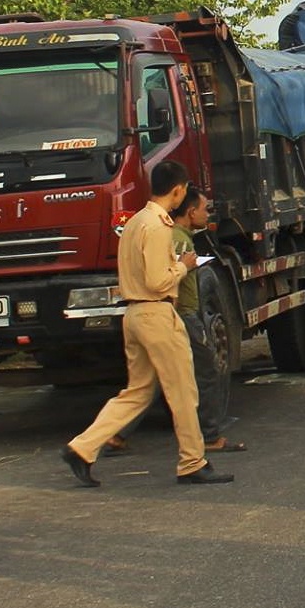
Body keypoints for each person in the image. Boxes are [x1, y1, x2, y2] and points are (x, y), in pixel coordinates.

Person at [61, 160, 233, 488]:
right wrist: (183, 266)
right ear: (178, 190)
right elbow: (157, 281)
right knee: (183, 391)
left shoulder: (136, 222)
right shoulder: (157, 226)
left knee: (137, 393)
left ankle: (82, 448)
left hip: (135, 314)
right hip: (157, 312)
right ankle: (192, 461)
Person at [103, 187, 245, 455]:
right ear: (190, 211)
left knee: (153, 381)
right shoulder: (174, 237)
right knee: (205, 372)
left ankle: (116, 434)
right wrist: (184, 272)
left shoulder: (152, 228)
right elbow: (164, 281)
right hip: (178, 315)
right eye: (204, 209)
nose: (207, 214)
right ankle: (208, 437)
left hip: (154, 316)